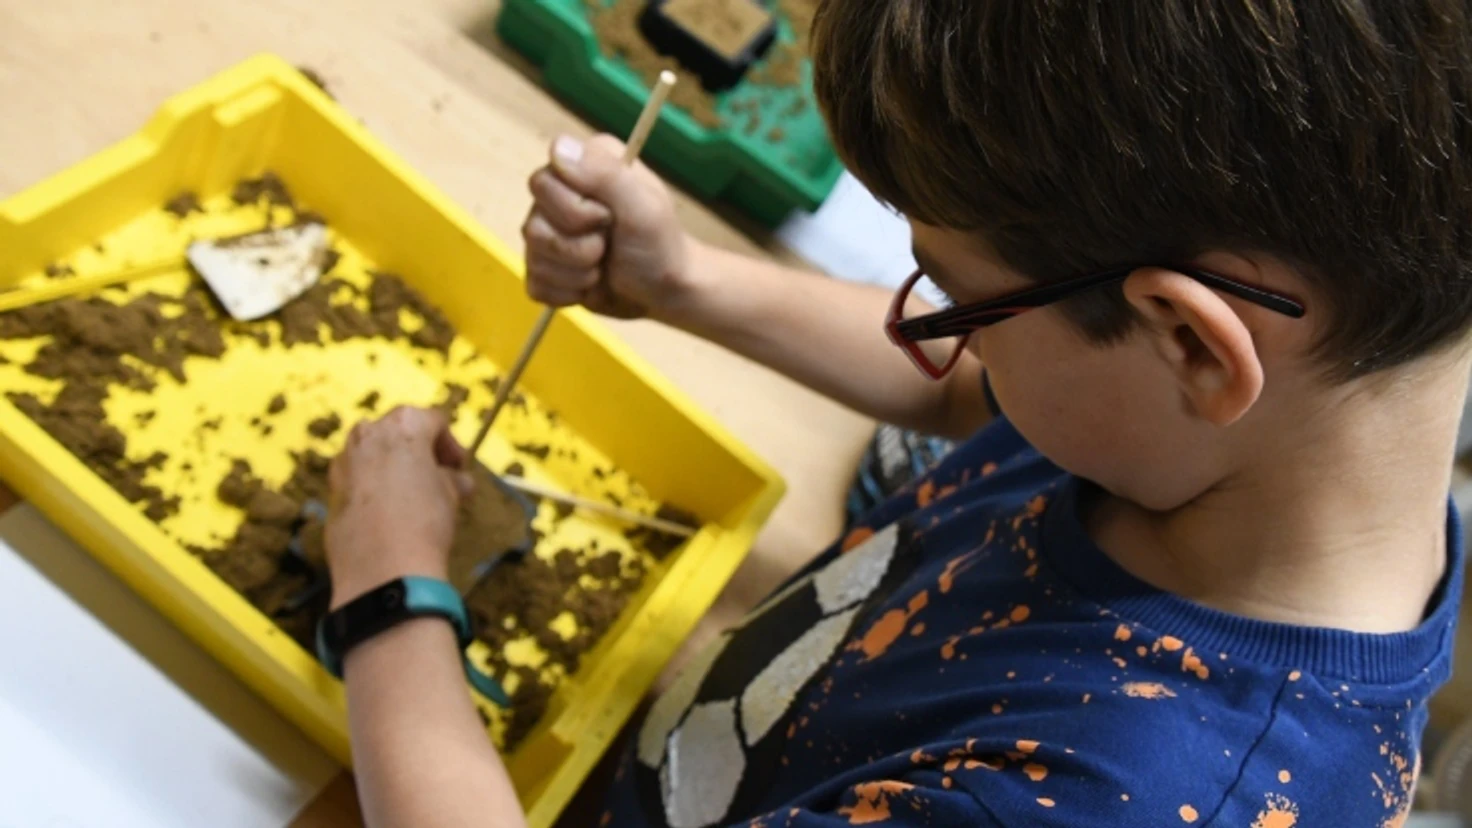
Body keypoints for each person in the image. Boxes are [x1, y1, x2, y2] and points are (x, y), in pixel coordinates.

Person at [323, 1, 1469, 825]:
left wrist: (387, 604)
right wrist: (681, 282)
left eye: (957, 297)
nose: (947, 329)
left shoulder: (1078, 800)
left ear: (1185, 341)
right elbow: (995, 395)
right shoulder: (1298, 455)